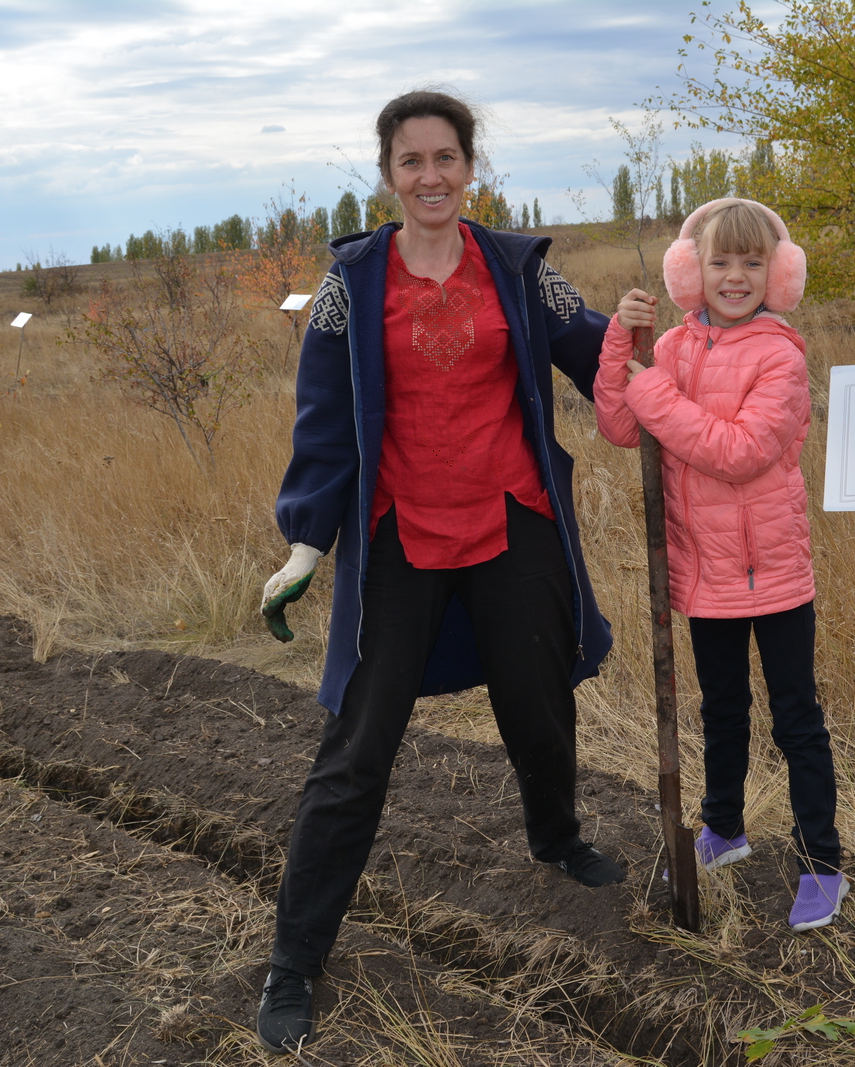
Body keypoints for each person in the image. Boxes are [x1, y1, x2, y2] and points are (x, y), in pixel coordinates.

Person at [255, 89, 621, 1054]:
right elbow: (324, 421)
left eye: (446, 158)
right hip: (400, 536)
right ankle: (294, 960)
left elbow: (592, 350)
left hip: (512, 517)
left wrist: (685, 353)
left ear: (471, 167)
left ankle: (555, 834)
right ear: (387, 174)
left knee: (539, 699)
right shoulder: (351, 285)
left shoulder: (513, 268)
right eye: (411, 161)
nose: (430, 176)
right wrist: (305, 542)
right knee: (358, 749)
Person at [595, 198, 846, 931]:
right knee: (721, 710)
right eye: (720, 262)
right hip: (704, 575)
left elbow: (737, 453)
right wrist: (622, 345)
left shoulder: (781, 354)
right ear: (690, 271)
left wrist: (648, 388)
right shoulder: (669, 348)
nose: (735, 276)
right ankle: (724, 830)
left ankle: (823, 863)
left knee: (797, 719)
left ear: (779, 274)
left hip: (774, 573)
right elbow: (619, 425)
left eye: (752, 262)